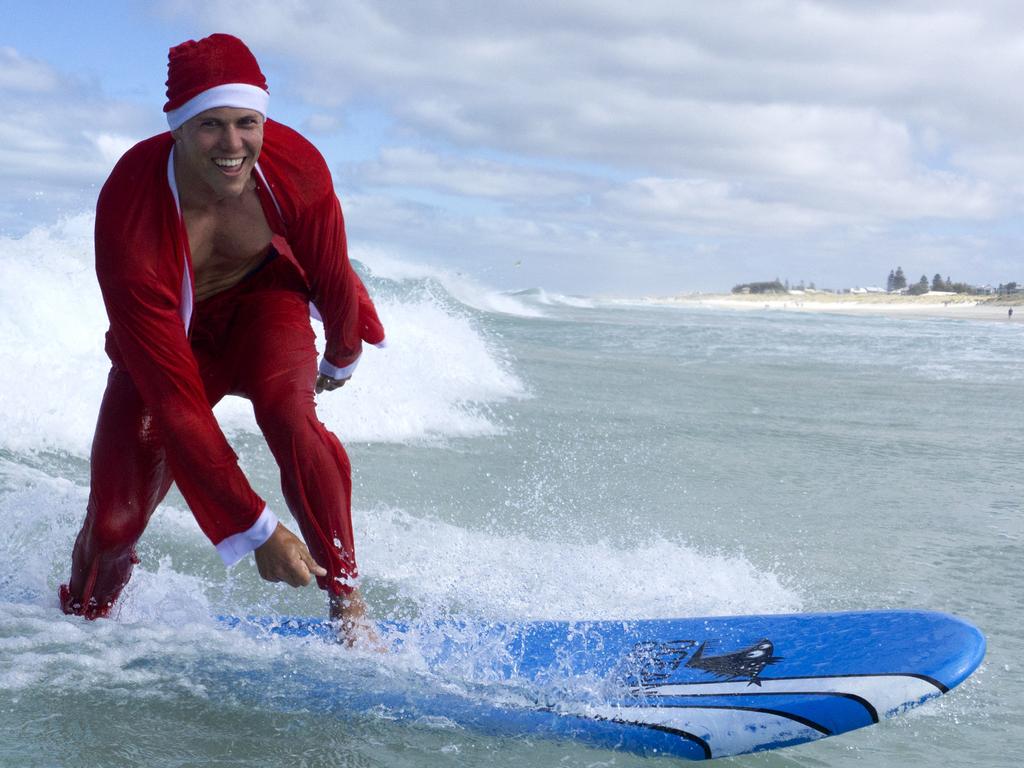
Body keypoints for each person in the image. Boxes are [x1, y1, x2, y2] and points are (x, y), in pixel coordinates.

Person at [58, 34, 384, 642]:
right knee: (113, 521)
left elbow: (332, 266)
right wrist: (255, 528)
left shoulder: (296, 165)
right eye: (211, 125)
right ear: (177, 128)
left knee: (291, 415)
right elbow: (175, 400)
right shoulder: (130, 210)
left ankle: (348, 606)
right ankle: (83, 628)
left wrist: (342, 352)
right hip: (168, 337)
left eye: (246, 123)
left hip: (265, 306)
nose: (233, 145)